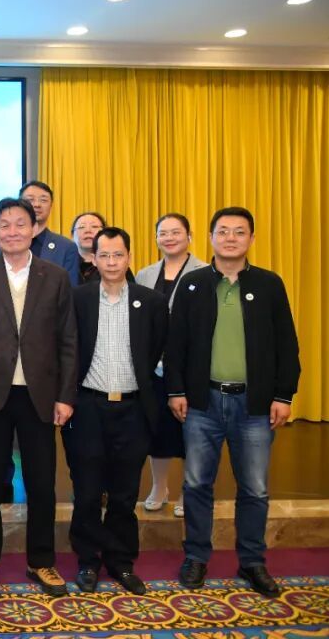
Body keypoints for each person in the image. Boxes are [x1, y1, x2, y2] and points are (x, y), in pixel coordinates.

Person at [166, 207, 300, 598]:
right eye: (222, 231)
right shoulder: (192, 284)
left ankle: (252, 562)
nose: (230, 238)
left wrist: (283, 395)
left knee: (255, 489)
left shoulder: (269, 284)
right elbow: (175, 344)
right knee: (196, 485)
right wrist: (176, 390)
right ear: (210, 238)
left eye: (239, 232)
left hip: (254, 406)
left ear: (251, 239)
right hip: (202, 404)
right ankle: (196, 557)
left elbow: (287, 344)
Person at [0, 197, 76, 597]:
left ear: (35, 228)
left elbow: (68, 341)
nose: (12, 232)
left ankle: (41, 561)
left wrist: (66, 395)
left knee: (41, 483)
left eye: (21, 224)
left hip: (40, 394)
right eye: (4, 225)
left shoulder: (55, 276)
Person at [66, 227, 168, 595]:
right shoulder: (78, 298)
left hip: (133, 408)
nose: (111, 262)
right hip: (88, 407)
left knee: (125, 493)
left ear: (129, 257)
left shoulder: (150, 301)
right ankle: (88, 561)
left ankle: (121, 561)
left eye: (118, 255)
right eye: (104, 255)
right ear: (93, 258)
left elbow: (155, 349)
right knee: (87, 491)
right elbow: (67, 349)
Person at [135, 213, 208, 518]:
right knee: (158, 431)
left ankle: (188, 491)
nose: (169, 238)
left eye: (176, 232)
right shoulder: (144, 274)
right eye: (163, 233)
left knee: (192, 432)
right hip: (153, 367)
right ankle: (159, 487)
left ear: (189, 236)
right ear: (156, 239)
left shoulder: (205, 272)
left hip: (191, 367)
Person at [0, 181, 80, 286]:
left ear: (51, 206)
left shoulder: (66, 247)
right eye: (30, 199)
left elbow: (69, 289)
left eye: (43, 200)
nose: (37, 204)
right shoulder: (4, 242)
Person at [71, 212, 106, 285]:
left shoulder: (115, 264)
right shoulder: (64, 263)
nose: (88, 231)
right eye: (81, 227)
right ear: (72, 236)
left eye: (94, 226)